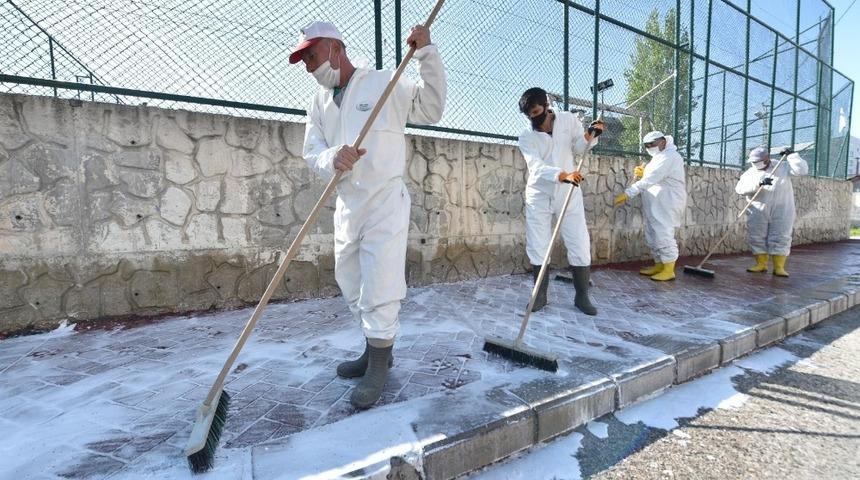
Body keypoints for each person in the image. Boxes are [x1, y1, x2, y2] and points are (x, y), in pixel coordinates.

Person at [291, 20, 446, 409]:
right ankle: (375, 349)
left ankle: (379, 364)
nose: (309, 65)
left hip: (384, 202)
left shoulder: (383, 83)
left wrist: (426, 53)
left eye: (311, 55)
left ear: (334, 48)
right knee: (352, 282)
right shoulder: (319, 101)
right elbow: (313, 150)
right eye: (304, 59)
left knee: (380, 281)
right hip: (347, 204)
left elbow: (432, 108)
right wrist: (333, 157)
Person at [517, 88, 604, 315]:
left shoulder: (567, 119)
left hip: (569, 192)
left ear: (546, 106)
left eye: (536, 112)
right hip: (540, 193)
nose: (533, 118)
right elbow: (535, 167)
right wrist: (562, 175)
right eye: (529, 115)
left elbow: (577, 147)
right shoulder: (527, 136)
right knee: (538, 243)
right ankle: (540, 295)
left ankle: (582, 296)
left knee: (578, 240)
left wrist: (589, 136)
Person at [614, 131, 687, 281]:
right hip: (656, 202)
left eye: (651, 145)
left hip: (667, 201)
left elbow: (651, 179)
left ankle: (669, 269)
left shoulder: (670, 156)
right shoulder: (658, 157)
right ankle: (659, 264)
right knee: (652, 232)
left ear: (662, 141)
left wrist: (628, 193)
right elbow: (652, 176)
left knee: (663, 231)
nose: (648, 148)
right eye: (646, 146)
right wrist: (644, 172)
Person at [734, 146, 808, 276]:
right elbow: (740, 189)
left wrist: (792, 156)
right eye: (754, 162)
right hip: (758, 210)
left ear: (767, 159)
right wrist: (758, 183)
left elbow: (802, 170)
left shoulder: (783, 167)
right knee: (757, 236)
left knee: (781, 235)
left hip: (782, 209)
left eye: (759, 161)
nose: (756, 164)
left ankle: (779, 267)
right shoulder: (750, 173)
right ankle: (761, 264)